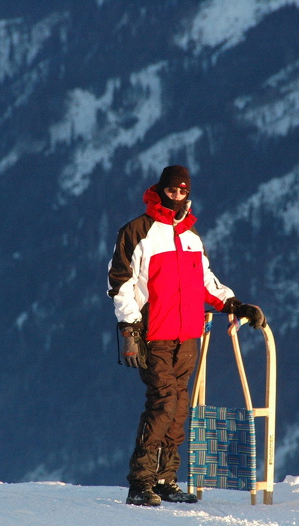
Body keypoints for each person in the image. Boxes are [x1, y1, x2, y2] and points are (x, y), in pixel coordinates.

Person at [107, 165, 266, 506]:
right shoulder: (138, 231)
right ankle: (141, 482)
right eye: (171, 189)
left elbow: (205, 284)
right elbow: (119, 284)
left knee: (179, 409)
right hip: (154, 334)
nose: (176, 195)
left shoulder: (191, 238)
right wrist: (130, 328)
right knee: (162, 403)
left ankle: (165, 479)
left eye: (182, 191)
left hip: (188, 335)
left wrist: (234, 304)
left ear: (187, 193)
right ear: (161, 189)